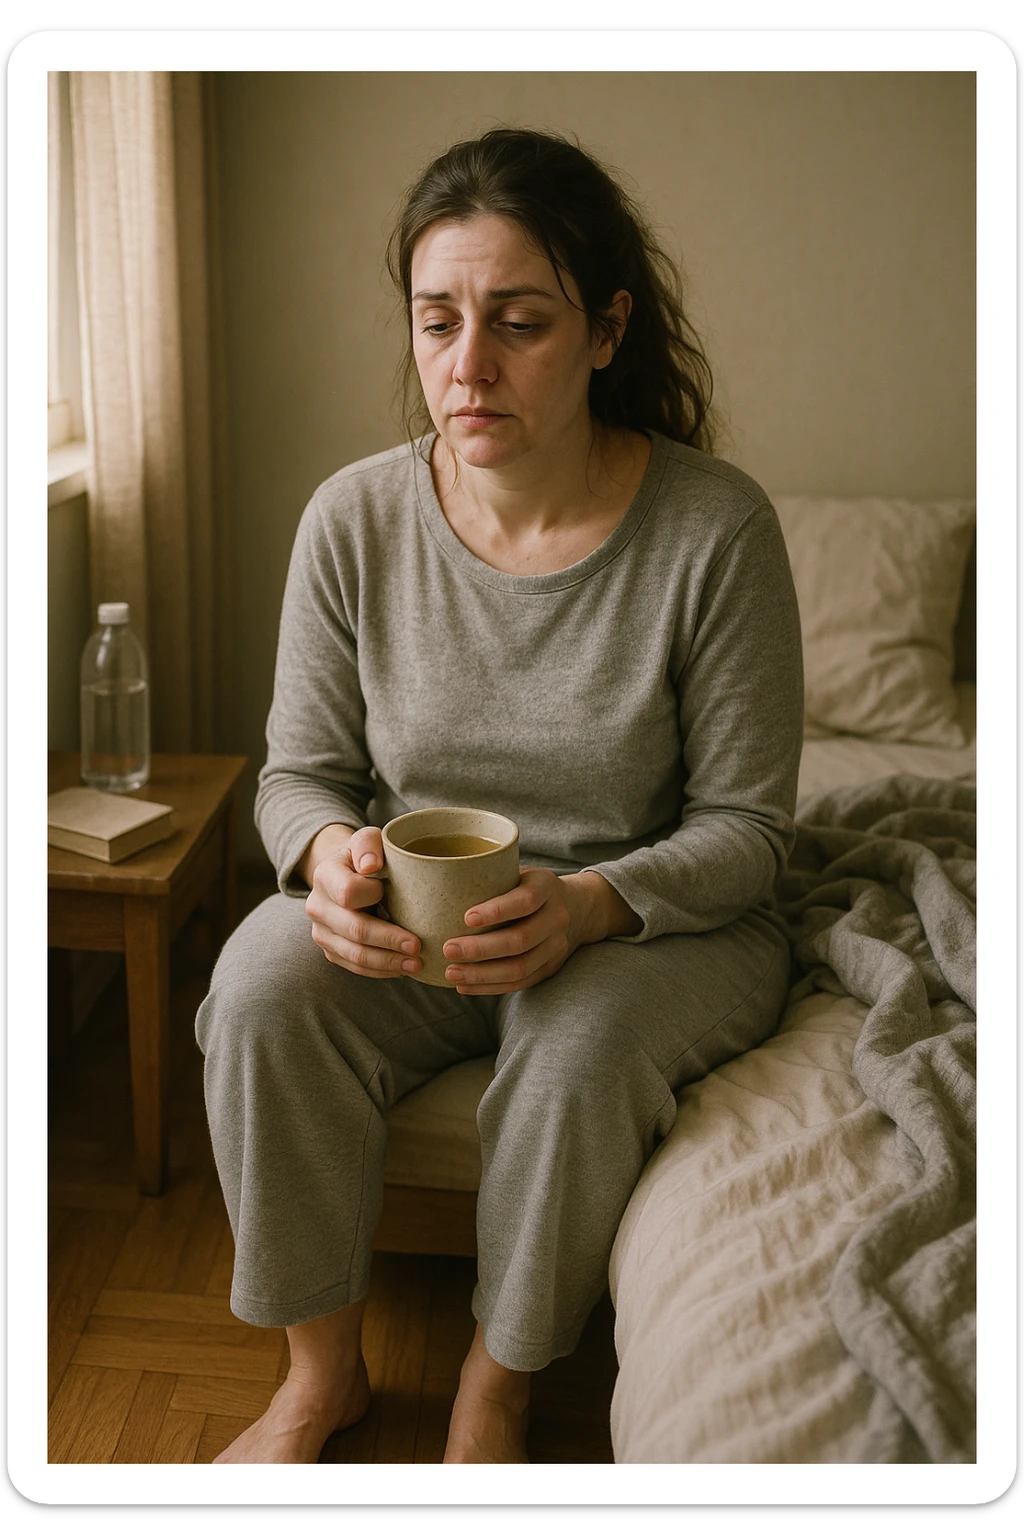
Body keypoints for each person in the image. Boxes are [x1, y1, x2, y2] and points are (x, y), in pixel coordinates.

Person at [196, 125, 804, 1464]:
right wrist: (331, 853)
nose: (465, 367)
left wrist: (591, 906)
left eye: (518, 323)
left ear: (604, 330)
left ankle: (498, 1379)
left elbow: (755, 832)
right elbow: (297, 771)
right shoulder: (352, 519)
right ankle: (321, 1375)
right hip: (429, 912)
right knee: (254, 989)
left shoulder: (716, 531)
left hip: (652, 916)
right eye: (437, 321)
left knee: (576, 1057)